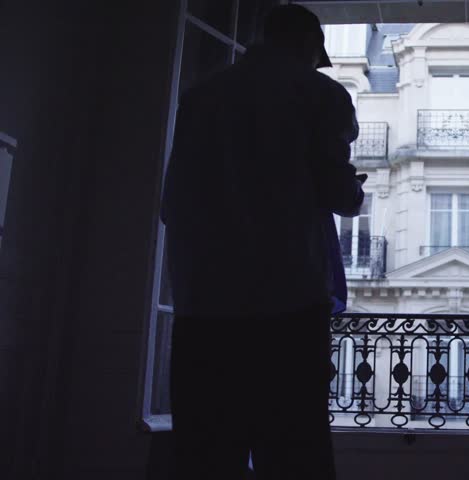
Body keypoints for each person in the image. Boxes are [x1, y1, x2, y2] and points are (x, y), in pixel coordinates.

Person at [160, 5, 364, 479]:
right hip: (287, 302)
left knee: (205, 453)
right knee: (294, 452)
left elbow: (172, 204)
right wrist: (353, 189)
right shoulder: (320, 94)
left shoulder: (200, 96)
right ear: (311, 46)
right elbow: (340, 193)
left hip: (203, 303)